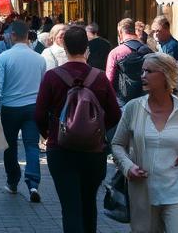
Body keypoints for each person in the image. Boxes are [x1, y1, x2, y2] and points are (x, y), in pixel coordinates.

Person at [109, 52, 178, 233]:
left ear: (165, 75)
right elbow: (117, 145)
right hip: (143, 193)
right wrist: (128, 166)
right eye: (142, 71)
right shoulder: (133, 108)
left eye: (149, 71)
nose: (142, 76)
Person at [37, 25, 123, 233]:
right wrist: (97, 131)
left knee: (70, 207)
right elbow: (115, 115)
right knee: (88, 203)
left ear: (64, 46)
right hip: (93, 152)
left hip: (61, 150)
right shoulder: (100, 77)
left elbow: (38, 114)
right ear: (87, 48)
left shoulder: (52, 77)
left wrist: (50, 134)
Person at [0, 20, 46, 202]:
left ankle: (13, 181)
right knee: (31, 146)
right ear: (27, 36)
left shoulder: (4, 57)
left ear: (13, 35)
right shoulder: (39, 59)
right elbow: (43, 86)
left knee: (10, 147)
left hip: (10, 108)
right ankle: (33, 184)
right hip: (32, 108)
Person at [106, 18, 151, 106]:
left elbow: (109, 81)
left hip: (123, 103)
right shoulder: (148, 50)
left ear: (120, 32)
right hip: (145, 102)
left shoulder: (115, 53)